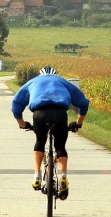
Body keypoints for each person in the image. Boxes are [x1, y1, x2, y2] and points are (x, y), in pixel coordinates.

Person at [11, 66, 89, 200]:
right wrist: (78, 123)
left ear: (40, 75)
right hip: (60, 114)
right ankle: (63, 177)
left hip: (40, 114)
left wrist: (22, 124)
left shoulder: (32, 82)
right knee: (60, 147)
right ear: (55, 75)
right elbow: (83, 102)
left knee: (40, 142)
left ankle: (37, 175)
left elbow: (16, 104)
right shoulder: (63, 82)